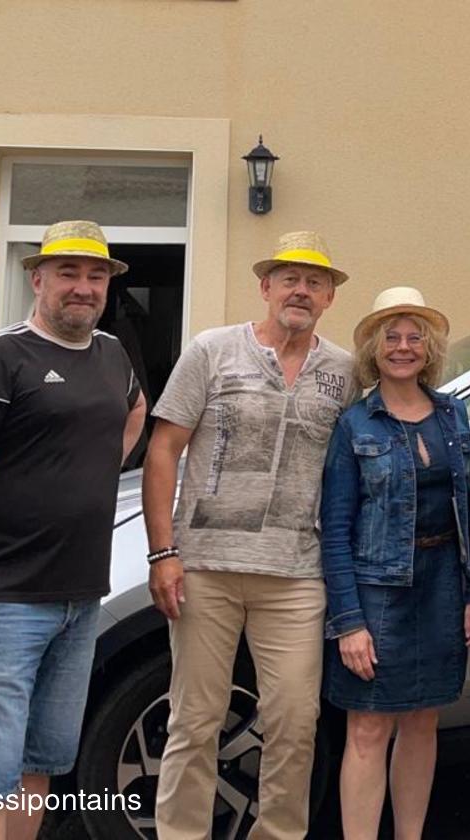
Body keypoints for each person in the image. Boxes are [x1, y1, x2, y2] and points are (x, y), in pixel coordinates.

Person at [0, 220, 147, 840]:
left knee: (38, 767)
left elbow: (134, 410)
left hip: (80, 599)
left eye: (96, 275)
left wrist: (91, 471)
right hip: (2, 604)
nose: (84, 287)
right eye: (68, 273)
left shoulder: (111, 354)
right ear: (37, 279)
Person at [145, 231, 358, 840]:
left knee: (295, 721)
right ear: (265, 287)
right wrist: (163, 553)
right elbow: (163, 450)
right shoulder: (212, 350)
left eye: (315, 282)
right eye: (289, 279)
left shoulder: (343, 371)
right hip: (205, 569)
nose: (301, 291)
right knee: (195, 720)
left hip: (295, 574)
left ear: (329, 297)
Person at [320, 287, 470, 840]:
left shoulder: (450, 415)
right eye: (391, 337)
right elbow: (335, 528)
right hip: (377, 593)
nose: (403, 347)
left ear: (429, 348)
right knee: (368, 729)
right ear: (374, 348)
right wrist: (348, 621)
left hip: (442, 586)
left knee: (422, 722)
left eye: (415, 337)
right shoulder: (355, 423)